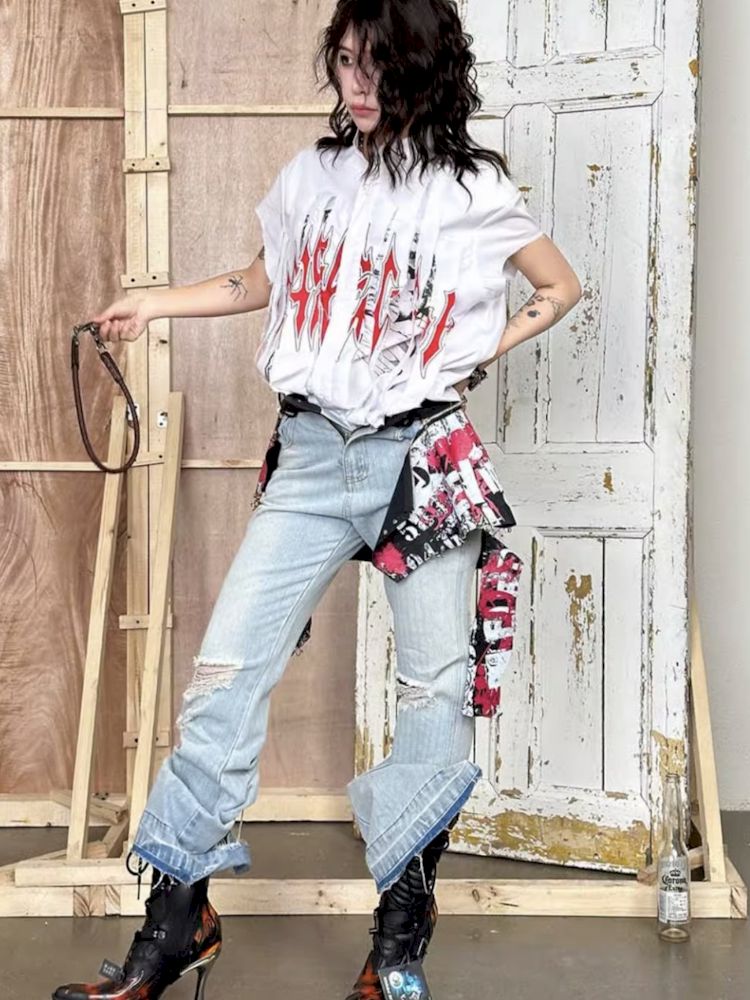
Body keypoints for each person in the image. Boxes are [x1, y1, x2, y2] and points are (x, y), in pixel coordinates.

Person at [52, 2, 581, 998]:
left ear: (422, 67)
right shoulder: (311, 176)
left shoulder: (474, 188)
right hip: (309, 451)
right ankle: (178, 920)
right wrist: (152, 303)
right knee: (224, 675)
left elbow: (558, 288)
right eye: (344, 62)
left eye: (378, 65)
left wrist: (476, 348)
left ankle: (399, 942)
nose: (358, 85)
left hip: (422, 458)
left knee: (433, 694)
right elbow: (255, 283)